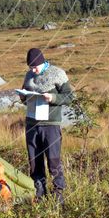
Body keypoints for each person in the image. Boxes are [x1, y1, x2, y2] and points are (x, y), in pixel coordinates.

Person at [19, 47, 75, 203]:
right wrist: (22, 96)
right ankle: (40, 194)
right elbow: (24, 95)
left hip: (50, 125)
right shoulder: (29, 75)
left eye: (35, 66)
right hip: (31, 124)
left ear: (42, 62)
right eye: (30, 67)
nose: (33, 70)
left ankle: (58, 196)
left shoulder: (58, 73)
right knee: (34, 161)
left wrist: (53, 98)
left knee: (53, 160)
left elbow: (70, 96)